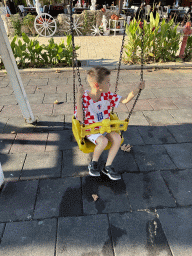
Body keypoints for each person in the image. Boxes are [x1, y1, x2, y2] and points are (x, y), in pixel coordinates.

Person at [75, 67, 145, 180]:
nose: (110, 84)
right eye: (107, 82)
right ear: (97, 85)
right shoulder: (85, 99)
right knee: (103, 141)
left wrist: (137, 89)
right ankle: (93, 163)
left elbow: (125, 100)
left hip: (106, 127)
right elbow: (80, 118)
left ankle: (107, 166)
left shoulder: (107, 95)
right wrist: (78, 98)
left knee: (117, 138)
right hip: (91, 130)